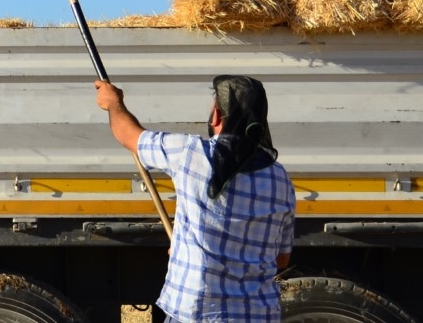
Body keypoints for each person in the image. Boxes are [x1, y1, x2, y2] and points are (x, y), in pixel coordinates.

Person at [94, 75, 295, 323]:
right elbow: (281, 259)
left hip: (197, 314)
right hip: (257, 315)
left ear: (217, 116)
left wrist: (114, 104)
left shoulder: (192, 154)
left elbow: (129, 135)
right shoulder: (279, 177)